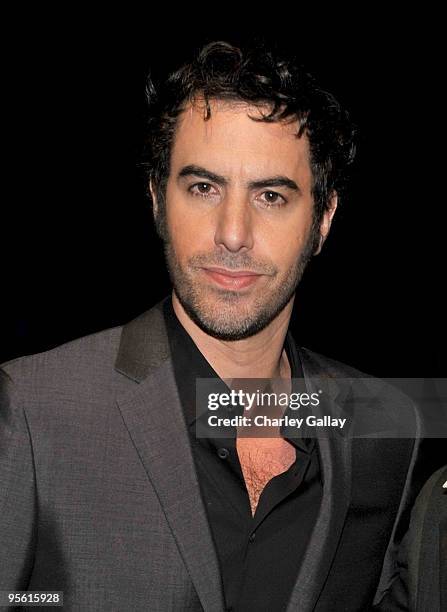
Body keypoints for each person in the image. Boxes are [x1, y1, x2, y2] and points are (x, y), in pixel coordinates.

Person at [0, 40, 442, 611]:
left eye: (272, 195)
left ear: (323, 219)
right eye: (203, 187)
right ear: (158, 198)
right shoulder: (35, 410)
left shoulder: (387, 429)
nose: (233, 233)